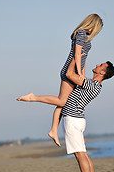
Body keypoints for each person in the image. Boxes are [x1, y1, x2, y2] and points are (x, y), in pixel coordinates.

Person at [17, 14, 103, 147]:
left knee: (64, 101)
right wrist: (79, 73)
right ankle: (33, 97)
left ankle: (53, 130)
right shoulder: (80, 33)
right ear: (92, 24)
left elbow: (84, 58)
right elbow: (77, 53)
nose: (95, 32)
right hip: (70, 72)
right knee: (62, 100)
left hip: (76, 73)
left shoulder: (83, 35)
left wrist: (83, 75)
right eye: (96, 29)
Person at [61, 61, 114, 172]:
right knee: (83, 154)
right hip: (77, 119)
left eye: (100, 65)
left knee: (80, 155)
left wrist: (76, 57)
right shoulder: (95, 85)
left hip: (73, 119)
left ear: (102, 72)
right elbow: (80, 74)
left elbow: (69, 74)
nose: (97, 64)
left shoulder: (92, 85)